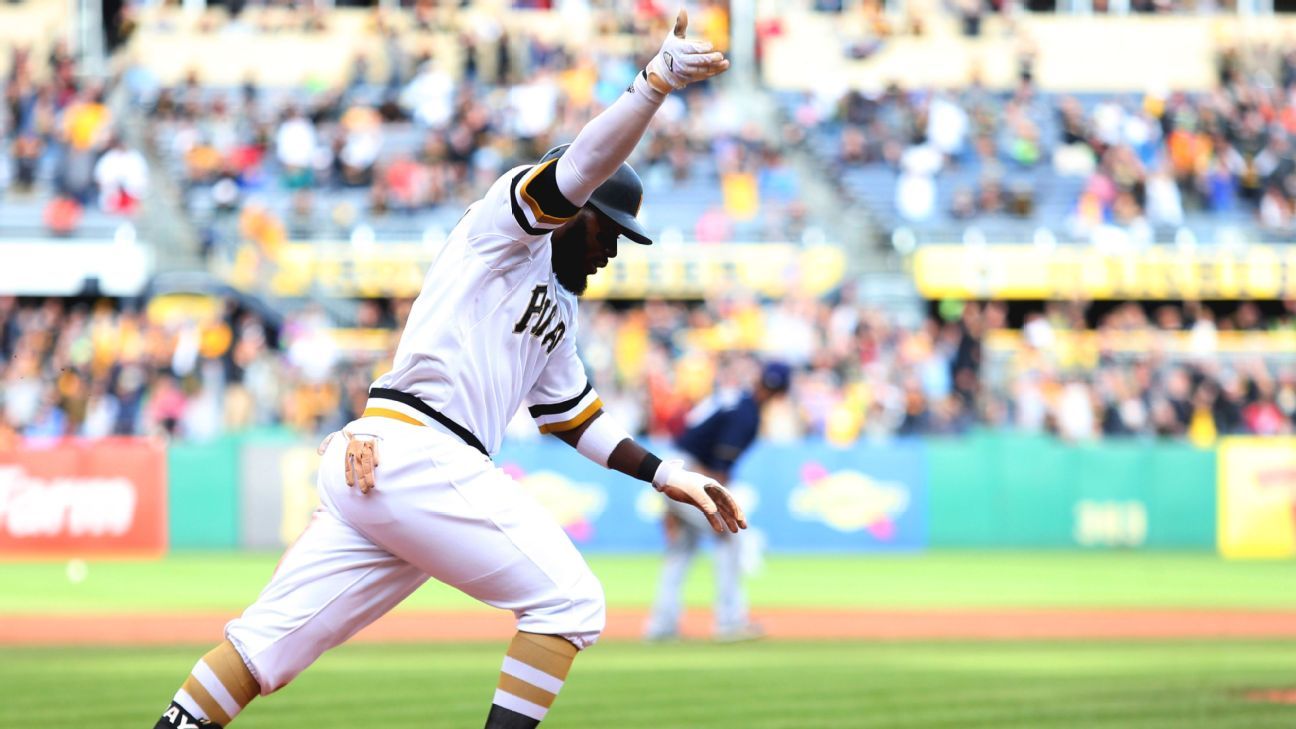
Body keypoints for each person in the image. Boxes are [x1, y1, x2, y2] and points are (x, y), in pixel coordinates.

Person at [152, 12, 741, 729]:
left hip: (384, 466)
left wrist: (664, 473)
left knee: (260, 650)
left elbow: (572, 416)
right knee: (572, 601)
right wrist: (653, 85)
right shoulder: (506, 231)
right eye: (608, 229)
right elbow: (580, 170)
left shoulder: (560, 307)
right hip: (419, 451)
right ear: (577, 212)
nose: (613, 249)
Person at [645, 360, 791, 643]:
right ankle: (729, 621)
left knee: (681, 549)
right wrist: (716, 500)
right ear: (783, 393)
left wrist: (671, 504)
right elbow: (719, 468)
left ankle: (662, 626)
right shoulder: (748, 414)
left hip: (670, 466)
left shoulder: (735, 399)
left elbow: (689, 440)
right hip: (689, 470)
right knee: (730, 534)